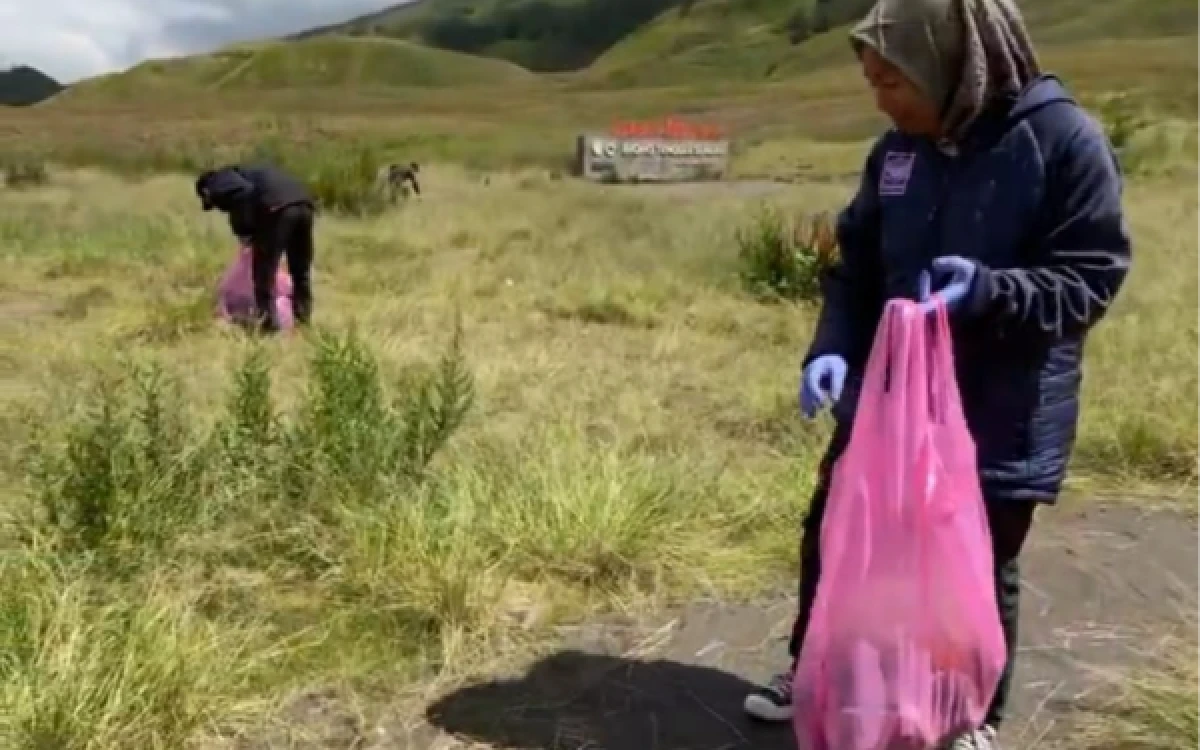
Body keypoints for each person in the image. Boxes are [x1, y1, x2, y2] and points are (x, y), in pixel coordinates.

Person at [742, 1, 1132, 748]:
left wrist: (992, 291)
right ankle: (818, 667)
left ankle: (971, 713)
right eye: (872, 81)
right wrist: (830, 347)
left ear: (949, 64)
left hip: (1001, 403)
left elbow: (1090, 279)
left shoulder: (1060, 141)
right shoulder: (897, 153)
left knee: (982, 558)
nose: (881, 98)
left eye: (893, 81)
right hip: (889, 397)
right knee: (837, 530)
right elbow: (856, 267)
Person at [195, 163, 316, 332]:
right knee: (300, 271)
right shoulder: (249, 173)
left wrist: (245, 229)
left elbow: (244, 193)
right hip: (304, 205)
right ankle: (303, 323)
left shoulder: (219, 182)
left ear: (206, 192)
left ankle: (269, 327)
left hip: (277, 208)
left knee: (263, 275)